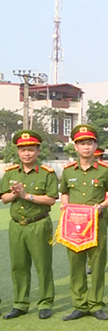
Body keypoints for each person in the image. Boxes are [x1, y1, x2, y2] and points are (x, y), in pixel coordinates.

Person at [60, 125, 108, 321]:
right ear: (75, 147)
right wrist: (65, 205)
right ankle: (80, 304)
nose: (86, 147)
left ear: (95, 146)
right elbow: (64, 192)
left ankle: (96, 304)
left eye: (89, 143)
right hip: (74, 225)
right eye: (82, 143)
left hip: (96, 223)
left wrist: (102, 206)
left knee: (98, 264)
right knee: (76, 264)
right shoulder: (68, 171)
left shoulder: (105, 170)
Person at [1, 130, 57, 320]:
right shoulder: (10, 173)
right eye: (23, 150)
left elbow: (51, 199)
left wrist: (27, 196)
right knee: (19, 265)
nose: (27, 154)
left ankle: (45, 302)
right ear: (18, 152)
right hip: (17, 225)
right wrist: (14, 194)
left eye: (31, 150)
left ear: (38, 151)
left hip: (38, 223)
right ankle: (20, 303)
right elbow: (4, 198)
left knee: (43, 264)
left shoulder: (47, 173)